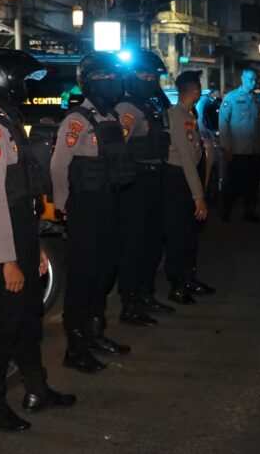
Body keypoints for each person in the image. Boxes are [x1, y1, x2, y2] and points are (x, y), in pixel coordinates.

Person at [0, 49, 76, 432]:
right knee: (3, 326)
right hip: (2, 243)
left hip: (20, 236)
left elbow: (20, 198)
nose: (27, 89)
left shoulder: (8, 124)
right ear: (5, 82)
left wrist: (34, 247)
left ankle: (37, 389)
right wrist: (7, 259)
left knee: (28, 320)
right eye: (23, 82)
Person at [50, 52, 135, 374]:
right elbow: (58, 165)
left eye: (115, 78)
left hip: (110, 203)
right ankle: (75, 347)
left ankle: (95, 333)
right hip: (85, 207)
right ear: (92, 81)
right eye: (108, 77)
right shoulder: (77, 120)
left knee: (104, 272)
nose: (114, 83)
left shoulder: (110, 116)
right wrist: (62, 205)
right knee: (82, 277)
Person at [113, 50, 173, 327]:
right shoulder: (127, 109)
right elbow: (119, 149)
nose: (150, 80)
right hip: (136, 184)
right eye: (145, 75)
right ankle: (130, 303)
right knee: (134, 245)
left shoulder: (149, 104)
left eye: (153, 76)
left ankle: (145, 294)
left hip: (153, 179)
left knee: (152, 243)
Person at [164, 71, 209, 305]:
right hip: (178, 180)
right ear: (195, 91)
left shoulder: (189, 114)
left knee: (190, 234)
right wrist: (198, 196)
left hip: (187, 178)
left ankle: (189, 279)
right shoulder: (176, 115)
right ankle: (177, 285)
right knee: (178, 235)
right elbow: (185, 158)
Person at [219, 68, 260, 222]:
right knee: (232, 182)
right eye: (250, 79)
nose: (253, 83)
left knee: (252, 183)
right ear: (242, 78)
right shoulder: (231, 97)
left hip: (253, 150)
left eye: (255, 80)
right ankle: (225, 211)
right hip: (237, 150)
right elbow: (223, 123)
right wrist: (226, 147)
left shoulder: (257, 99)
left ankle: (249, 211)